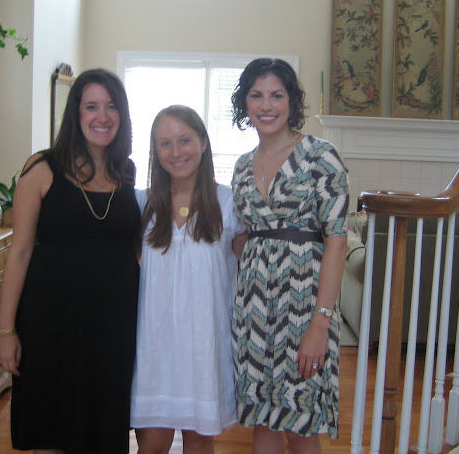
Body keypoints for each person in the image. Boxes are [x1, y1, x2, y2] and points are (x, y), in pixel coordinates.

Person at [0, 68, 141, 454]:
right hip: (51, 324)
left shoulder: (126, 172)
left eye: (111, 106)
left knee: (103, 427)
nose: (102, 116)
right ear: (75, 114)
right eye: (91, 106)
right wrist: (5, 329)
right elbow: (20, 251)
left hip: (112, 327)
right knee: (51, 427)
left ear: (122, 114)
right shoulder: (42, 168)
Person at [230, 58, 349, 454]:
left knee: (300, 424)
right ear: (244, 103)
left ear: (291, 101)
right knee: (261, 419)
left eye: (276, 95)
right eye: (256, 95)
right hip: (253, 310)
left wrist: (320, 323)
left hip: (304, 309)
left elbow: (336, 241)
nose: (266, 105)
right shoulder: (242, 166)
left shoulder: (320, 156)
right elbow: (244, 236)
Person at [131, 105, 246, 454]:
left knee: (199, 443)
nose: (176, 151)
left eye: (184, 140)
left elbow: (256, 262)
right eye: (165, 143)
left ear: (204, 142)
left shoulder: (228, 202)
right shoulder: (140, 204)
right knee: (151, 445)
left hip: (203, 348)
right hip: (153, 349)